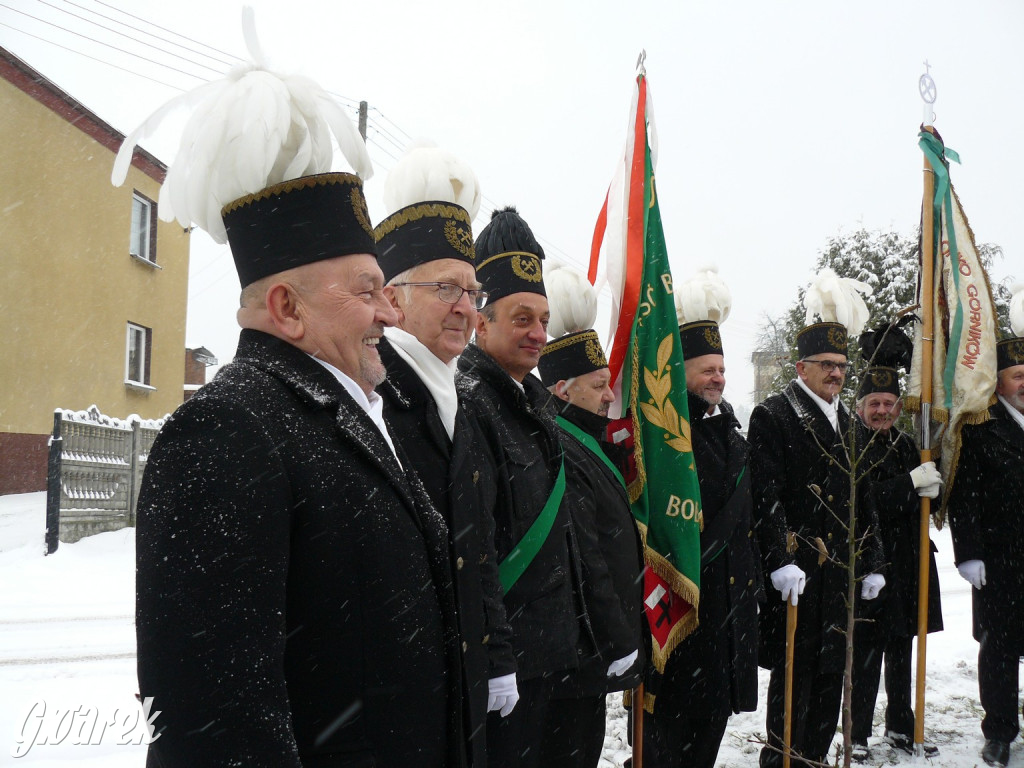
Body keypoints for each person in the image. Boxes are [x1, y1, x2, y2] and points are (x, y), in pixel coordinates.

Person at [136, 172, 463, 767]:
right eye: (368, 292)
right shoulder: (227, 429)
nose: (389, 313)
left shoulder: (346, 410)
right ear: (288, 307)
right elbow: (214, 724)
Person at [373, 160, 516, 767]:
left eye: (472, 291)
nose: (466, 307)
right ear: (393, 299)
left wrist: (497, 655)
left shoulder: (458, 395)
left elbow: (477, 548)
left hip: (463, 674)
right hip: (402, 694)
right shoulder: (379, 396)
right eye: (446, 289)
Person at [456, 207, 582, 768]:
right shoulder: (471, 403)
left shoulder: (531, 402)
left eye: (545, 320)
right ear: (481, 323)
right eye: (522, 318)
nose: (539, 335)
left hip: (547, 654)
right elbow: (476, 544)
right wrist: (497, 657)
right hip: (512, 663)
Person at [749, 300, 885, 768]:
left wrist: (873, 562)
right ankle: (783, 759)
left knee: (833, 673)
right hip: (799, 573)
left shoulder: (849, 423)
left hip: (841, 576)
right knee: (795, 676)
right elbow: (765, 495)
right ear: (801, 366)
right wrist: (778, 558)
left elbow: (864, 499)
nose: (836, 374)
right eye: (826, 365)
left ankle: (817, 757)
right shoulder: (774, 416)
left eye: (843, 366)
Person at [642, 270, 761, 768]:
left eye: (721, 367)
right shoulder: (666, 438)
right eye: (706, 369)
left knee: (710, 731)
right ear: (680, 371)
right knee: (669, 740)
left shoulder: (732, 431)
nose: (718, 377)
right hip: (684, 617)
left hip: (729, 616)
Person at [534, 265, 645, 768]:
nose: (608, 396)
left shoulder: (586, 442)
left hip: (591, 648)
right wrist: (619, 638)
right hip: (579, 650)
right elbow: (587, 554)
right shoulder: (561, 446)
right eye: (600, 384)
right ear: (561, 389)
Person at [848, 333, 943, 762]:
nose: (883, 411)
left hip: (910, 562)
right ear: (861, 407)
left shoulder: (909, 445)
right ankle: (857, 734)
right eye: (875, 405)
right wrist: (910, 484)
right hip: (871, 565)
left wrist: (933, 485)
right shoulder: (849, 446)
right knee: (866, 657)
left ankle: (902, 727)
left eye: (889, 404)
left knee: (903, 652)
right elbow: (865, 499)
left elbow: (928, 500)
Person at [947, 333, 1024, 768]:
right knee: (999, 650)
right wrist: (969, 552)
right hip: (1000, 559)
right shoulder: (980, 426)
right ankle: (998, 731)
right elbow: (965, 494)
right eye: (1017, 375)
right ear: (999, 383)